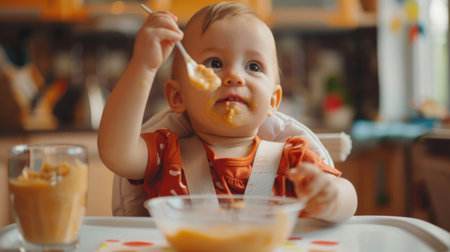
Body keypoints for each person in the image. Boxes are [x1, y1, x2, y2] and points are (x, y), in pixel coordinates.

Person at [98, 2, 357, 222]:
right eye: (214, 63)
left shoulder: (293, 161)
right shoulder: (165, 154)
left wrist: (332, 197)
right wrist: (143, 65)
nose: (234, 76)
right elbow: (115, 152)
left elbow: (348, 196)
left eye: (253, 66)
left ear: (272, 101)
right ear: (178, 97)